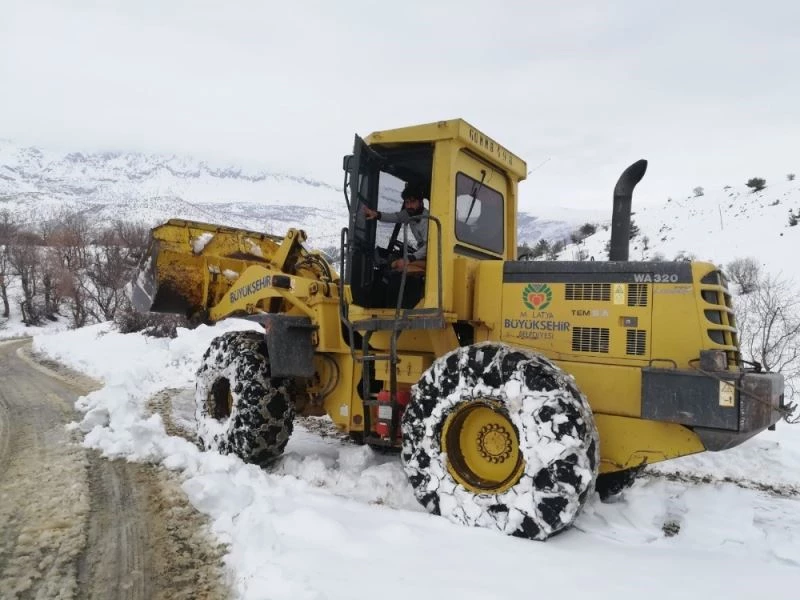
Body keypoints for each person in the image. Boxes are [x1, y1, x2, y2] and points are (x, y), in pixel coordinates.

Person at [362, 182, 428, 307]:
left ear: (420, 202)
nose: (409, 205)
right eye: (407, 202)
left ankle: (395, 305)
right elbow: (395, 217)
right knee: (389, 261)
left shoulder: (426, 220)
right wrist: (377, 215)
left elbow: (429, 247)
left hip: (430, 258)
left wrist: (411, 258)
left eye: (412, 202)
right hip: (421, 254)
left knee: (396, 264)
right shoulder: (409, 214)